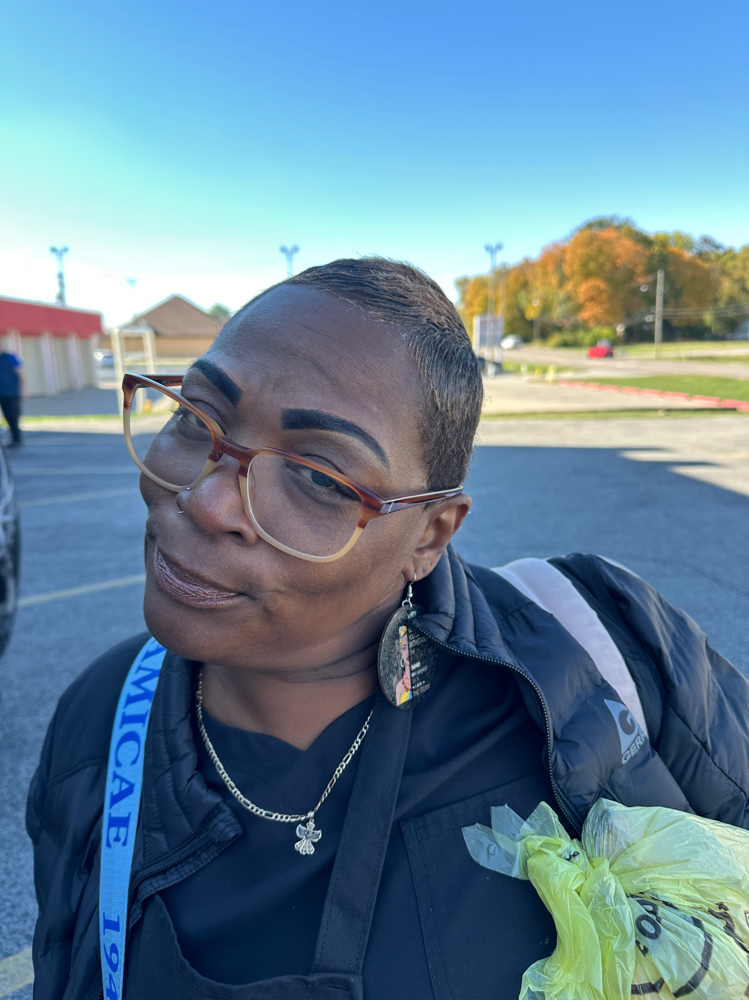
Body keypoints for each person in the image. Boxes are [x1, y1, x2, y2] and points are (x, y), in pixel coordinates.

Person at [27, 259, 749, 1000]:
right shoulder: (103, 713)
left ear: (429, 536)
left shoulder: (596, 648)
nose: (209, 501)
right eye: (195, 416)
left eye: (320, 478)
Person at [0, 348, 23, 448]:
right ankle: (13, 439)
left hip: (12, 393)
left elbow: (20, 374)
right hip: (2, 393)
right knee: (7, 417)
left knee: (13, 417)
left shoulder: (10, 357)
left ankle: (16, 439)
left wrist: (22, 390)